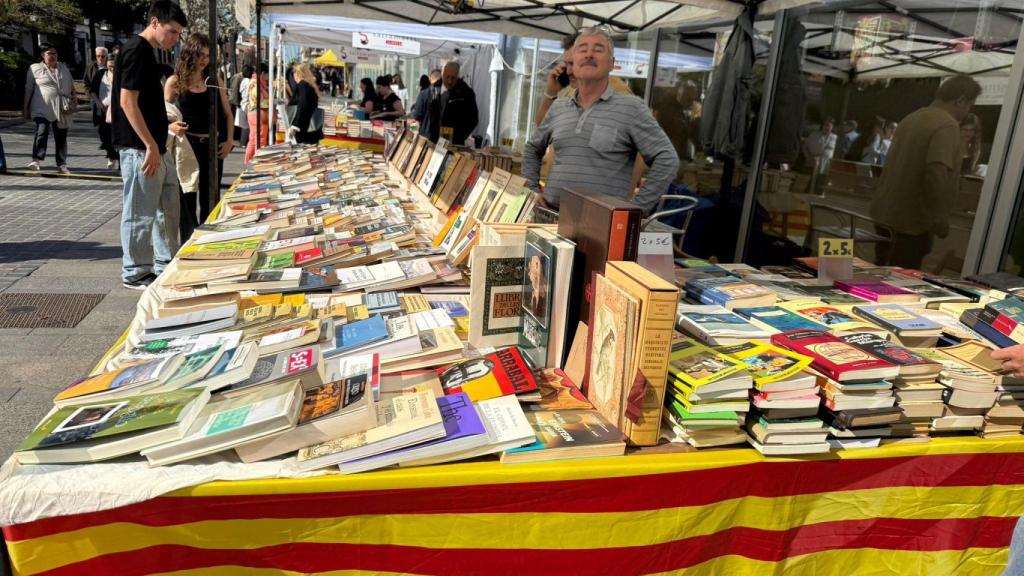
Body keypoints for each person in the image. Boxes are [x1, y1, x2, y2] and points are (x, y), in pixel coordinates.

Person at [522, 27, 679, 213]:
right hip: (550, 217)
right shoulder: (560, 106)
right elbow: (533, 147)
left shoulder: (631, 107)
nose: (589, 54)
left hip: (600, 225)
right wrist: (530, 190)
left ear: (612, 64)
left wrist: (636, 209)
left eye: (598, 49)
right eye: (582, 49)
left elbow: (667, 159)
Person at [112, 0, 188, 290]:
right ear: (154, 22)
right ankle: (134, 270)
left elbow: (143, 103)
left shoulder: (146, 52)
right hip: (139, 147)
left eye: (178, 33)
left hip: (153, 143)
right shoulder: (135, 50)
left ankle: (160, 262)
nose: (174, 38)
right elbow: (126, 102)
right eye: (171, 31)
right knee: (140, 210)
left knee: (161, 208)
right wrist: (149, 145)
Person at [870, 74, 982, 269]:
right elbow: (936, 171)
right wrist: (940, 217)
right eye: (969, 106)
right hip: (912, 223)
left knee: (878, 276)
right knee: (900, 286)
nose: (967, 112)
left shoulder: (911, 118)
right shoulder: (947, 125)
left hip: (884, 215)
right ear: (961, 100)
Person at [164, 32, 234, 239]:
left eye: (208, 56)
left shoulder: (214, 80)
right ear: (190, 54)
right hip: (187, 146)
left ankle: (207, 240)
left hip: (212, 147)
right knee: (186, 197)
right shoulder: (174, 82)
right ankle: (188, 241)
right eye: (200, 55)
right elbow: (164, 114)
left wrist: (229, 141)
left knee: (211, 198)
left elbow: (228, 114)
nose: (204, 60)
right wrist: (172, 126)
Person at [23, 44, 76, 173]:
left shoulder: (63, 68)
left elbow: (71, 85)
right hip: (41, 107)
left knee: (61, 135)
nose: (52, 56)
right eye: (49, 53)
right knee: (41, 131)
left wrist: (74, 98)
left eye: (55, 53)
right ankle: (36, 160)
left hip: (61, 107)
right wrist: (25, 108)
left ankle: (61, 163)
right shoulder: (34, 68)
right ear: (43, 55)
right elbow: (28, 89)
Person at [431, 62, 479, 146]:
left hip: (454, 144)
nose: (450, 81)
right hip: (434, 141)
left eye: (453, 78)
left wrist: (459, 136)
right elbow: (430, 112)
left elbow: (473, 119)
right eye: (447, 77)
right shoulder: (434, 89)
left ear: (458, 76)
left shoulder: (466, 92)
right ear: (442, 75)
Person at [536, 34, 577, 127]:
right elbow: (542, 127)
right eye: (566, 64)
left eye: (572, 63)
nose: (568, 71)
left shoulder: (610, 88)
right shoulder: (568, 90)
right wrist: (551, 92)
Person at [90, 54, 118, 170]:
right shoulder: (100, 74)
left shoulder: (121, 75)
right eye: (109, 65)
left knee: (117, 136)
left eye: (113, 66)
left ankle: (120, 162)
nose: (111, 68)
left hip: (118, 111)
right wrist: (98, 103)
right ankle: (111, 156)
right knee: (104, 135)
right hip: (103, 110)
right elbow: (92, 90)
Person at [287, 63, 322, 144]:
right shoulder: (309, 85)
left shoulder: (303, 86)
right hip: (310, 129)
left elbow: (303, 106)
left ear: (297, 74)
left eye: (293, 74)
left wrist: (295, 126)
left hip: (303, 130)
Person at [246, 63, 269, 163]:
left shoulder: (253, 82)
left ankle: (248, 160)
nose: (268, 77)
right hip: (258, 113)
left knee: (253, 139)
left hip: (252, 112)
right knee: (259, 139)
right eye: (267, 74)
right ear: (263, 73)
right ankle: (257, 161)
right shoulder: (257, 85)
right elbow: (262, 103)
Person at [415, 69, 441, 138]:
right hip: (443, 136)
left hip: (426, 134)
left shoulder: (424, 93)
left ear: (429, 78)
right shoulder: (446, 94)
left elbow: (417, 116)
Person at [236, 65, 254, 150]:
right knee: (247, 125)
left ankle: (243, 142)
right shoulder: (249, 81)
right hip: (247, 104)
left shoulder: (244, 80)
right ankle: (243, 143)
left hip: (243, 104)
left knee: (245, 125)